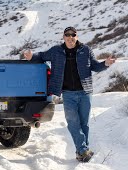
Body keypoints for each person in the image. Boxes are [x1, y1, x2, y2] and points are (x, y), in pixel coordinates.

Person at [23, 27, 116, 162]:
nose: (70, 37)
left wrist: (105, 64)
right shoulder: (56, 51)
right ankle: (84, 150)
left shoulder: (86, 50)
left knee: (84, 124)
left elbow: (95, 66)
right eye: (67, 35)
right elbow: (42, 56)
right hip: (68, 93)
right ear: (64, 37)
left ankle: (81, 152)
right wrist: (32, 57)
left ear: (76, 36)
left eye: (73, 35)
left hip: (85, 92)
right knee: (73, 122)